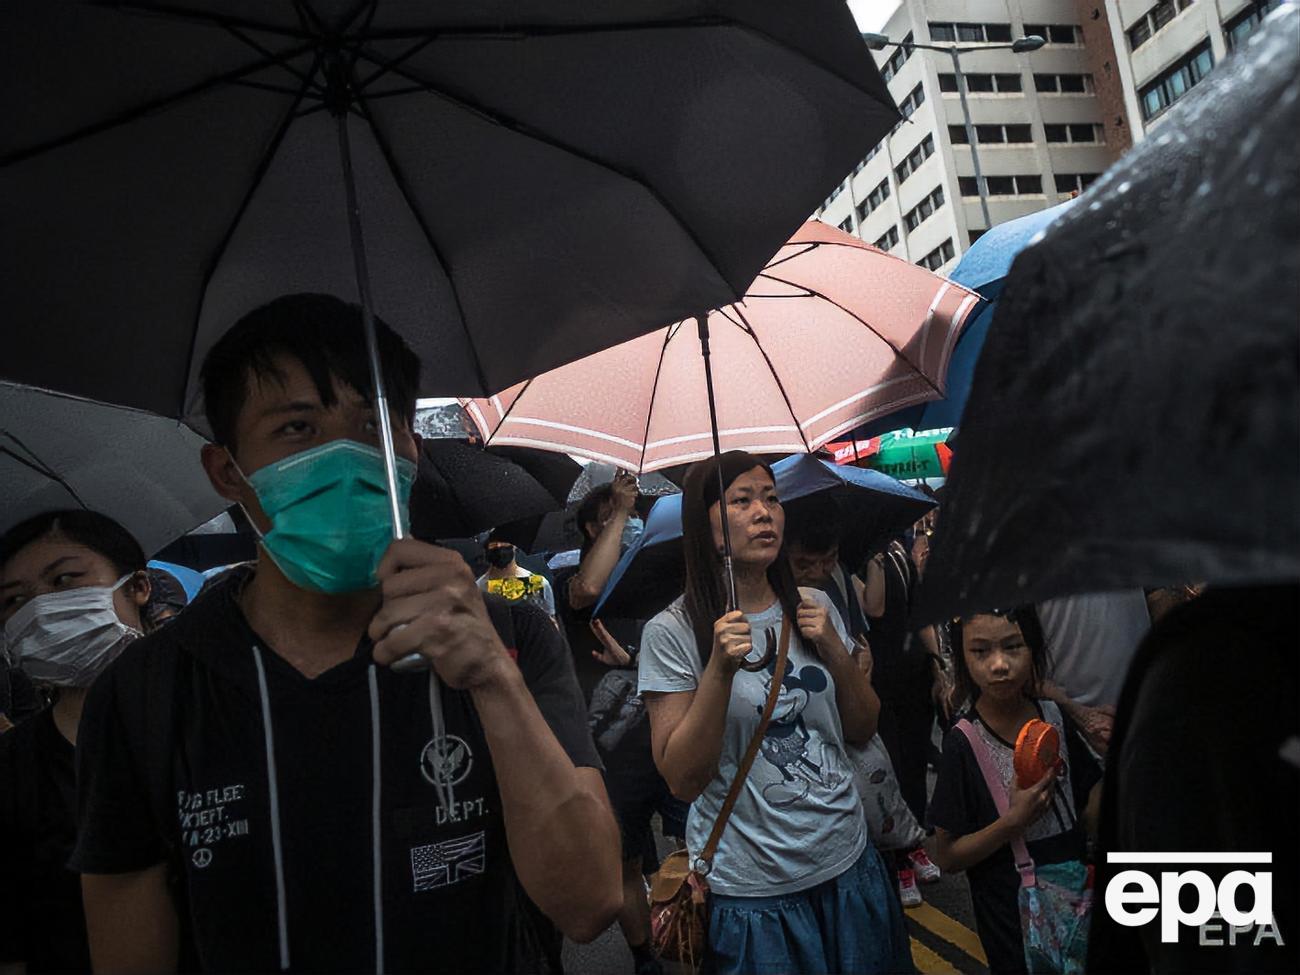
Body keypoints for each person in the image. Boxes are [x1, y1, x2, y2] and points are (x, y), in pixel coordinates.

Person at [70, 294, 621, 972]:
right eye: (298, 429)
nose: (345, 456)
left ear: (410, 451)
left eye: (371, 426)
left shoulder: (514, 640)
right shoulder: (146, 692)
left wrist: (494, 681)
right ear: (226, 470)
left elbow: (590, 902)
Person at [639, 451, 911, 974]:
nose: (765, 512)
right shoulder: (671, 634)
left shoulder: (815, 605)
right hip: (754, 893)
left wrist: (833, 647)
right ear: (706, 528)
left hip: (847, 864)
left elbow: (862, 725)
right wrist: (718, 670)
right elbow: (683, 780)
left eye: (771, 498)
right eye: (741, 501)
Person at [0, 510, 153, 973]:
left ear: (137, 587)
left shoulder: (216, 718)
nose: (40, 610)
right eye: (14, 601)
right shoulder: (11, 768)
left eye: (65, 579)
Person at [555, 472, 684, 975]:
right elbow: (588, 587)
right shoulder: (572, 582)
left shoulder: (658, 583)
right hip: (613, 758)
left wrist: (631, 661)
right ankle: (642, 957)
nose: (631, 526)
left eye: (634, 519)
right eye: (617, 520)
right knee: (627, 863)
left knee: (696, 849)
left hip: (673, 739)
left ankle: (698, 935)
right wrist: (623, 508)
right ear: (593, 529)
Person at [927, 607, 1102, 975]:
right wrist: (1013, 821)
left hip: (1076, 905)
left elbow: (1089, 808)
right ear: (961, 657)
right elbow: (948, 855)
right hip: (1011, 923)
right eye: (980, 651)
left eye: (1013, 647)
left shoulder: (1054, 716)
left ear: (1034, 648)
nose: (999, 664)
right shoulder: (963, 743)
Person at [861, 532, 946, 904]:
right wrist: (872, 556)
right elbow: (875, 607)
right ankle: (899, 862)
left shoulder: (897, 549)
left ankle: (914, 843)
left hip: (915, 676)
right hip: (881, 682)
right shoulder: (857, 557)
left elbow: (920, 613)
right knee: (890, 770)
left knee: (913, 765)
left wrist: (939, 665)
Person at [476, 531, 557, 623]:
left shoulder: (538, 583)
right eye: (494, 544)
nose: (499, 545)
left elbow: (552, 622)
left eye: (503, 542)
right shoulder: (478, 589)